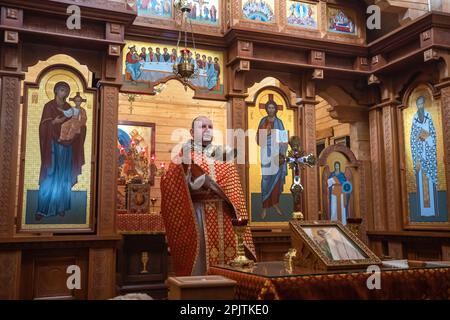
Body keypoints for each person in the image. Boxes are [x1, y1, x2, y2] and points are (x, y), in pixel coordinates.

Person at [161, 116, 256, 276]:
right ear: (192, 132)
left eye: (210, 126)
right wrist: (187, 182)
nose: (207, 129)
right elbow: (170, 184)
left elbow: (233, 189)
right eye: (202, 126)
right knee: (199, 258)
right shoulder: (184, 156)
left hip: (224, 214)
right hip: (197, 214)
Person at [36, 82, 86, 220]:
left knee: (63, 174)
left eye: (66, 91)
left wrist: (80, 128)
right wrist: (53, 123)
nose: (64, 93)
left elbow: (76, 124)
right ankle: (42, 209)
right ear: (56, 91)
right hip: (51, 146)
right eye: (62, 90)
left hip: (66, 147)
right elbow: (43, 127)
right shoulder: (49, 106)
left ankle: (61, 207)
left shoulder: (70, 108)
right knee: (50, 174)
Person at [256, 99, 288, 219]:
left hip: (277, 154)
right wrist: (266, 132)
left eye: (273, 108)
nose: (271, 110)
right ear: (266, 109)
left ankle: (275, 203)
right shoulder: (263, 121)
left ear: (275, 109)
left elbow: (284, 140)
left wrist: (282, 151)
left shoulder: (280, 122)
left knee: (277, 179)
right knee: (265, 178)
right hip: (266, 153)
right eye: (269, 108)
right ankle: (264, 206)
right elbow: (259, 139)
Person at [410, 95, 438, 217]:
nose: (420, 107)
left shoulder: (428, 116)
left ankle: (432, 211)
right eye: (419, 105)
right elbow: (412, 137)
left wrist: (427, 137)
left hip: (429, 154)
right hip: (419, 155)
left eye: (422, 104)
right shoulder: (415, 119)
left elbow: (433, 133)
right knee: (421, 181)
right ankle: (423, 211)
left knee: (430, 181)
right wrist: (418, 139)